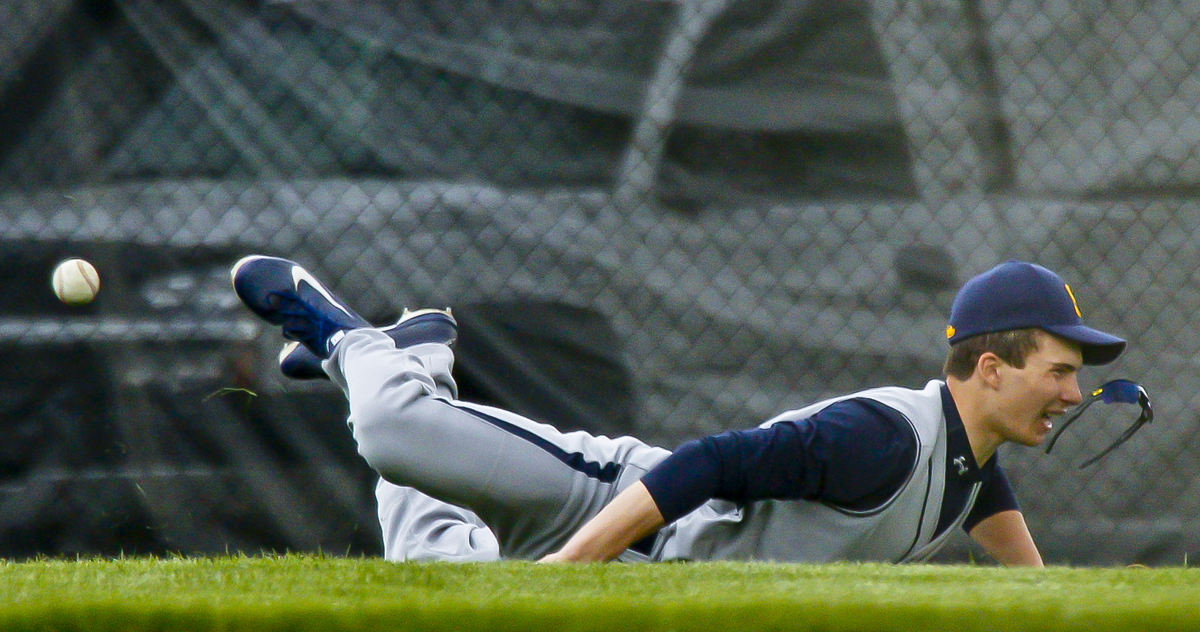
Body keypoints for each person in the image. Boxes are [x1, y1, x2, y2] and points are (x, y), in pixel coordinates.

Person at [232, 256, 1125, 565]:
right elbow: (711, 460)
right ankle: (382, 345)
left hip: (626, 563)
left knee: (428, 560)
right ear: (993, 368)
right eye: (1058, 368)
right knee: (395, 433)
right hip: (605, 502)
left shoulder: (970, 462)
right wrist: (578, 563)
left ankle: (400, 362)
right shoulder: (880, 438)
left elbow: (987, 507)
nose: (1073, 393)